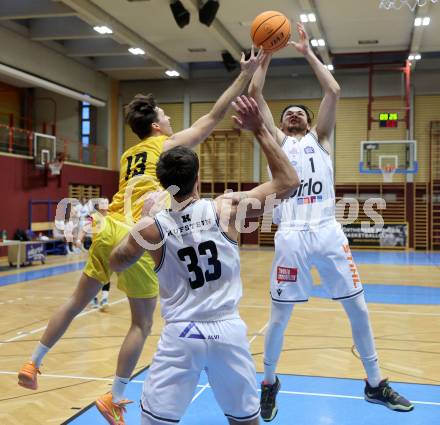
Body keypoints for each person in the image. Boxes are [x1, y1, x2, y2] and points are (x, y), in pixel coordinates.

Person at [18, 48, 263, 425]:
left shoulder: (128, 153)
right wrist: (246, 75)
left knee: (75, 300)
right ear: (156, 126)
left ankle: (33, 362)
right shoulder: (165, 146)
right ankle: (115, 396)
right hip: (135, 231)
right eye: (165, 115)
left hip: (106, 229)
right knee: (141, 324)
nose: (168, 119)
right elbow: (215, 114)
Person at [248, 23, 414, 421]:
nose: (292, 115)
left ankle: (375, 383)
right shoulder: (278, 141)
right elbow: (254, 94)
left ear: (309, 122)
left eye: (298, 113)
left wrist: (307, 53)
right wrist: (266, 55)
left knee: (359, 308)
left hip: (326, 230)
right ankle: (269, 383)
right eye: (288, 113)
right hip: (290, 234)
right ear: (282, 124)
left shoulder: (320, 140)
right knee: (279, 317)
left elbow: (334, 91)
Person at [109, 95, 300, 425]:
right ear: (197, 179)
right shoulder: (226, 208)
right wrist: (259, 131)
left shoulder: (152, 227)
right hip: (227, 331)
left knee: (154, 421)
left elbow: (116, 262)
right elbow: (288, 182)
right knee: (246, 421)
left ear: (164, 184)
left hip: (181, 334)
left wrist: (140, 220)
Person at [75, 198, 112, 311]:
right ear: (98, 206)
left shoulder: (113, 217)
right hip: (96, 250)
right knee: (93, 275)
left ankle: (105, 299)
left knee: (107, 275)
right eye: (102, 202)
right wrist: (79, 240)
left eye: (106, 202)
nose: (105, 204)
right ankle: (94, 298)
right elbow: (84, 229)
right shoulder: (93, 217)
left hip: (109, 249)